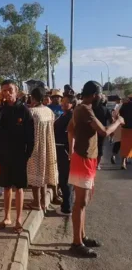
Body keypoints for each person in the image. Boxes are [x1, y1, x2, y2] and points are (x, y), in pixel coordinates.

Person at [67, 81, 124, 258]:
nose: (102, 98)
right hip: (83, 159)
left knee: (84, 202)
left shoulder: (83, 109)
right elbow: (104, 132)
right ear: (94, 94)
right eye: (100, 94)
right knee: (80, 202)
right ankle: (76, 243)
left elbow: (70, 129)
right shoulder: (84, 109)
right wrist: (119, 122)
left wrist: (71, 149)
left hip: (86, 158)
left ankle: (81, 236)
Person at [0, 80, 34, 234]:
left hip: (19, 155)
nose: (7, 93)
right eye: (4, 90)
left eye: (9, 90)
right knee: (6, 187)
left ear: (16, 91)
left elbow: (31, 137)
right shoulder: (1, 110)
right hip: (4, 154)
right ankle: (7, 217)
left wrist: (27, 155)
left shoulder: (24, 111)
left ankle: (18, 219)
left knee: (18, 188)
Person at [26, 87, 58, 213]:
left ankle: (36, 202)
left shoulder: (31, 112)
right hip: (48, 145)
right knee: (43, 174)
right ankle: (44, 202)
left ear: (33, 98)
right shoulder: (49, 111)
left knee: (35, 173)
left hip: (36, 145)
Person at [54, 94, 76, 216]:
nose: (63, 103)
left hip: (65, 150)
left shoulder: (71, 116)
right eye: (63, 101)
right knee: (64, 178)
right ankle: (67, 204)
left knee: (65, 179)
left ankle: (67, 208)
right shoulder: (65, 115)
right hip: (61, 149)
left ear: (72, 104)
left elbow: (71, 135)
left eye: (67, 102)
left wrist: (71, 152)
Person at [92, 95, 113, 170]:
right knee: (100, 147)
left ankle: (92, 163)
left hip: (92, 130)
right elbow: (111, 120)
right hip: (102, 131)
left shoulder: (92, 108)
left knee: (92, 147)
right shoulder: (106, 109)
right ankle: (97, 164)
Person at [119, 94, 132, 170]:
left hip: (125, 128)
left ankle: (123, 163)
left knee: (125, 146)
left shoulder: (125, 105)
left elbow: (120, 114)